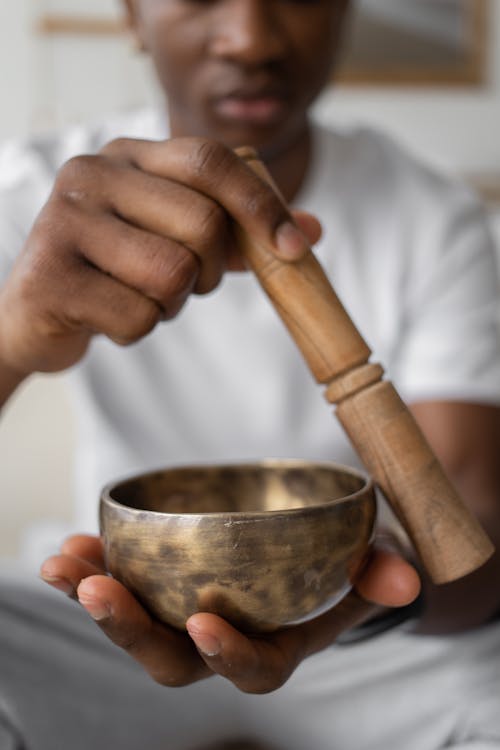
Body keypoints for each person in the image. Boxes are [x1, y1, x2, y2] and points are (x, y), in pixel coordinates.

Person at [0, 1, 499, 748]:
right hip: (104, 627)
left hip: (363, 632)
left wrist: (365, 595)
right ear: (134, 14)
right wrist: (13, 341)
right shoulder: (36, 192)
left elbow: (471, 546)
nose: (250, 38)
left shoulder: (435, 215)